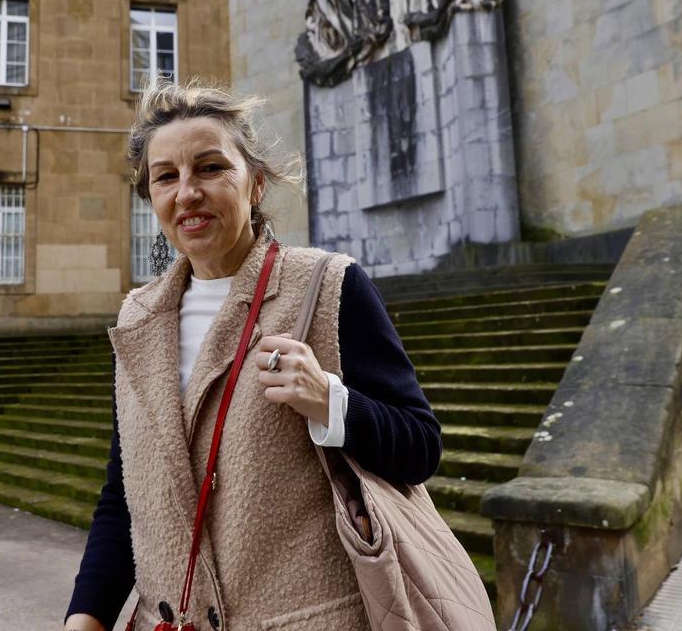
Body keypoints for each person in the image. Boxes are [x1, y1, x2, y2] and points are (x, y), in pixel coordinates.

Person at [64, 81, 442, 631]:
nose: (187, 191)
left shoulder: (328, 286)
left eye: (211, 168)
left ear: (256, 184)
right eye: (166, 177)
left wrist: (330, 401)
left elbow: (421, 446)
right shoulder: (138, 320)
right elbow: (124, 496)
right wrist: (87, 616)